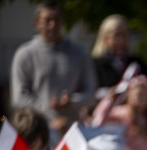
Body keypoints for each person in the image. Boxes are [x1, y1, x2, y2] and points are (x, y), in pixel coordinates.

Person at [10, 0, 97, 131]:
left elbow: (91, 93)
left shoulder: (79, 53)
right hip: (36, 131)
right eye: (47, 20)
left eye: (57, 20)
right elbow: (19, 98)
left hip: (73, 130)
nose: (53, 25)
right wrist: (50, 116)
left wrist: (72, 101)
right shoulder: (25, 54)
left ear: (63, 22)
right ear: (37, 23)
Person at [91, 14, 147, 88]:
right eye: (116, 35)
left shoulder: (136, 63)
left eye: (124, 34)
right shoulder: (95, 65)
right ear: (105, 37)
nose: (121, 39)